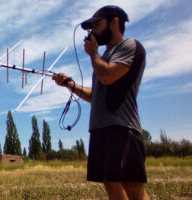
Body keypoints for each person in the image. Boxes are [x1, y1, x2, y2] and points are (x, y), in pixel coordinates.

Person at [52, 5, 150, 200]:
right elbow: (96, 94)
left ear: (115, 22)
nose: (92, 30)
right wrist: (70, 85)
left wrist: (93, 54)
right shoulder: (103, 57)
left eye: (97, 24)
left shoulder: (130, 46)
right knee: (110, 182)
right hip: (100, 128)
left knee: (130, 183)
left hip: (122, 127)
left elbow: (107, 76)